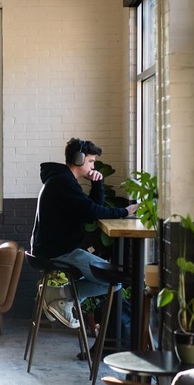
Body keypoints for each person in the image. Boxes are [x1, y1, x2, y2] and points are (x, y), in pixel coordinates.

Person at [30, 137, 138, 329]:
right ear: (78, 159)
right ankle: (59, 295)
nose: (93, 166)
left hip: (56, 248)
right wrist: (124, 212)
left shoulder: (61, 180)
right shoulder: (62, 182)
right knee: (116, 279)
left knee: (115, 278)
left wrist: (98, 183)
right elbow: (92, 212)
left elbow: (91, 211)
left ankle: (62, 297)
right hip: (60, 251)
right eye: (91, 161)